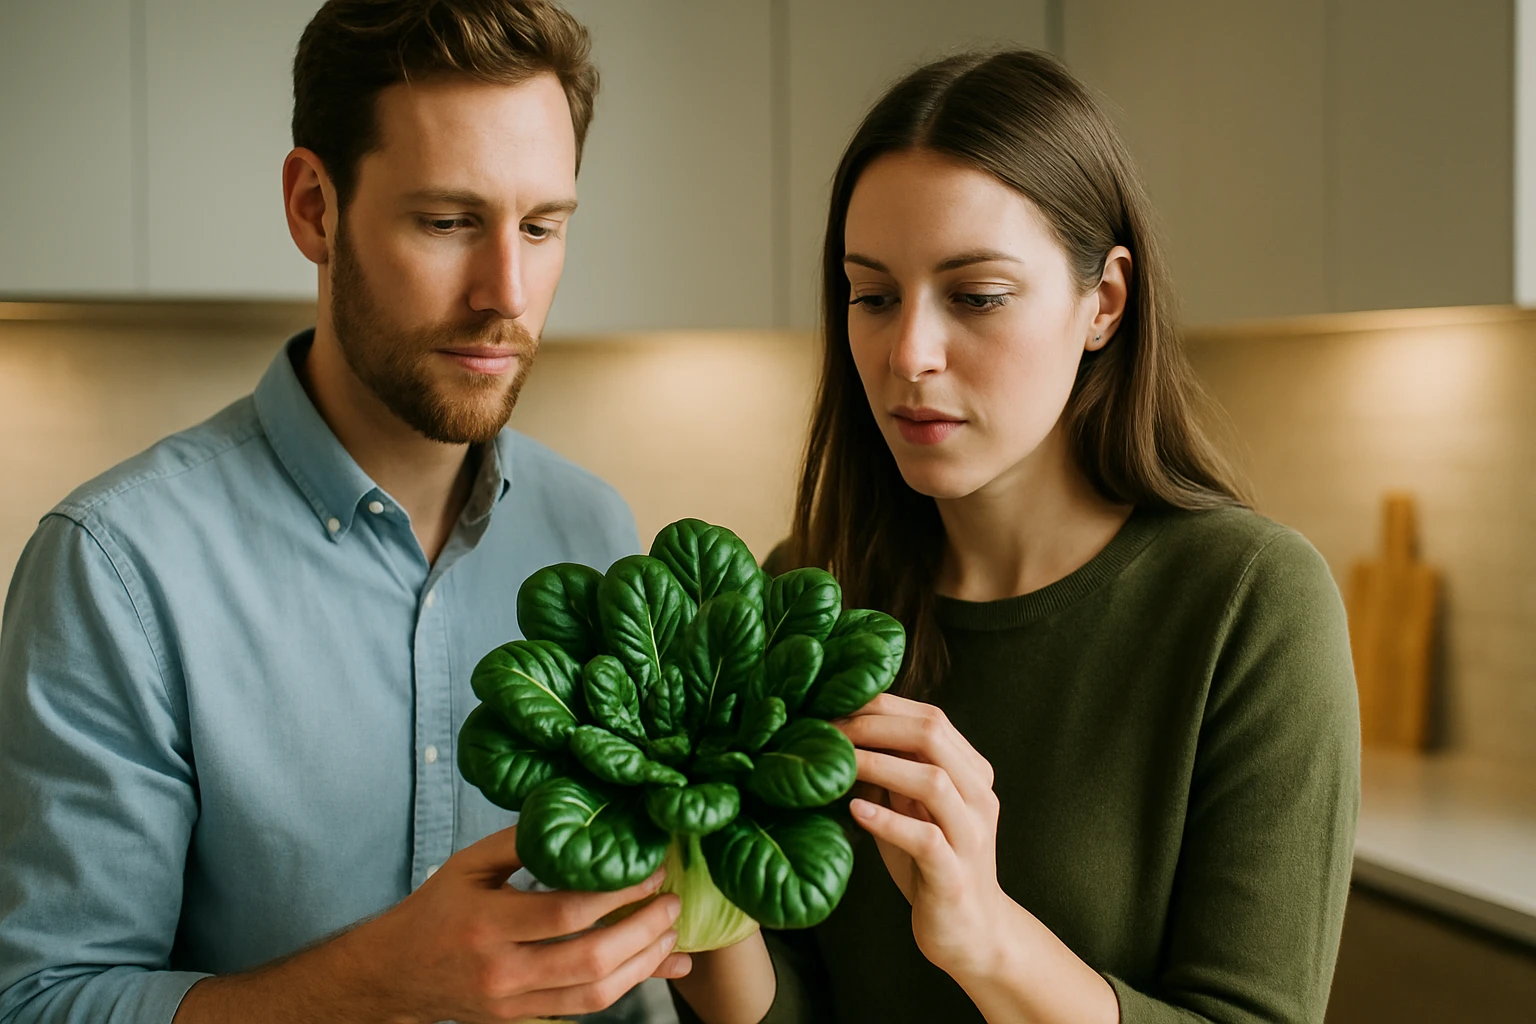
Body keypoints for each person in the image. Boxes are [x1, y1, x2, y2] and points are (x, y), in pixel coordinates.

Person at [0, 2, 692, 1022]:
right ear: (314, 207)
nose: (508, 291)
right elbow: (44, 1002)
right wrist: (377, 983)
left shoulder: (595, 531)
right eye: (449, 221)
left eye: (543, 227)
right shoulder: (116, 567)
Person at [670, 50, 1359, 1024]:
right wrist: (694, 896)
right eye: (872, 295)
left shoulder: (1250, 603)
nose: (909, 353)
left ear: (1104, 302)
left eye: (977, 295)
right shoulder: (808, 589)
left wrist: (985, 936)